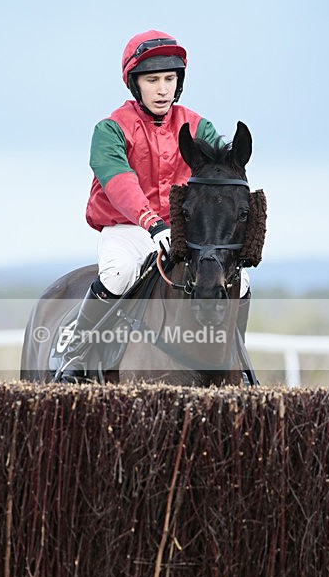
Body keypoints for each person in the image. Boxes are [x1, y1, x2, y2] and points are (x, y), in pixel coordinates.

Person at [58, 29, 250, 382]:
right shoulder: (111, 129)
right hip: (127, 229)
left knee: (243, 280)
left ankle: (236, 353)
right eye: (153, 80)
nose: (163, 88)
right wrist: (151, 222)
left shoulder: (198, 126)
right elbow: (118, 182)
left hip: (179, 230)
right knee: (118, 273)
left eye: (169, 79)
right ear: (135, 84)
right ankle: (77, 352)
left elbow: (218, 180)